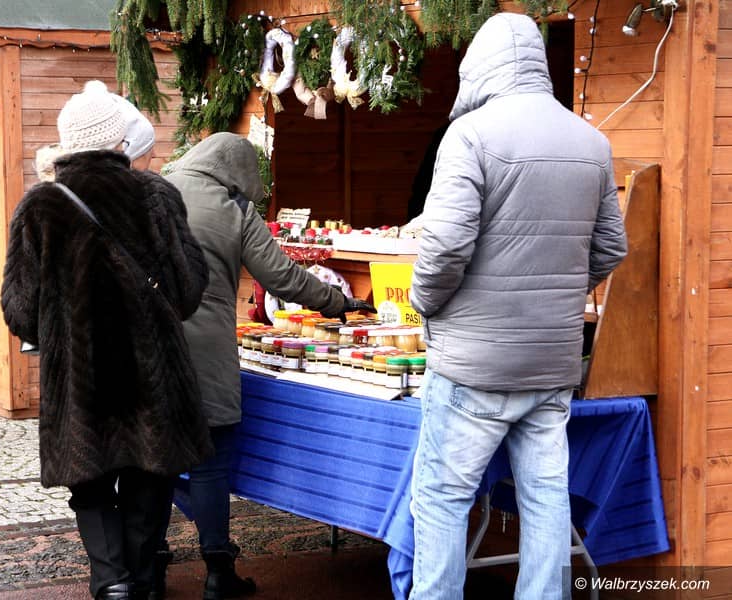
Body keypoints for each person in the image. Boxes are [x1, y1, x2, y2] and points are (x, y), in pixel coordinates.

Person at [408, 14, 627, 600]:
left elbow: (444, 248)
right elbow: (611, 248)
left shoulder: (470, 135)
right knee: (547, 499)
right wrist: (558, 294)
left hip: (471, 364)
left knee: (442, 499)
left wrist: (424, 302)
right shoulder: (592, 142)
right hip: (551, 362)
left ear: (477, 68)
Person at [1, 80, 213, 600]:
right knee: (150, 475)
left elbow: (19, 308)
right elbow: (188, 288)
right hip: (151, 371)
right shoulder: (155, 195)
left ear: (68, 141)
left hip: (81, 373)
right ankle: (140, 578)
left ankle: (112, 581)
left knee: (89, 480)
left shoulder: (40, 205)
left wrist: (59, 331)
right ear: (120, 139)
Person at [160, 132, 374, 600]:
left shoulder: (155, 190)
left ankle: (150, 566)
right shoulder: (235, 209)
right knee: (210, 462)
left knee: (155, 457)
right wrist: (337, 302)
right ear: (239, 172)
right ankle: (218, 573)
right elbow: (281, 277)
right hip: (207, 349)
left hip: (149, 344)